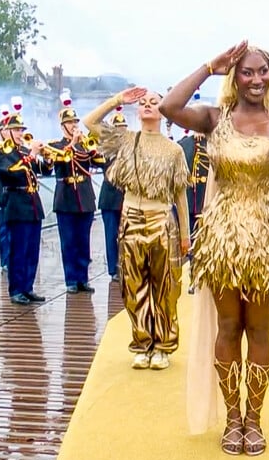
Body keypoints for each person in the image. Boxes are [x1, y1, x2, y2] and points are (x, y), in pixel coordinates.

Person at [159, 41, 269, 455]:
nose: (255, 80)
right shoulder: (216, 118)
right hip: (223, 238)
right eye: (246, 72)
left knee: (260, 329)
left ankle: (255, 419)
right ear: (235, 76)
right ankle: (233, 418)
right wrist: (209, 67)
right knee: (229, 327)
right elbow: (169, 107)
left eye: (262, 72)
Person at [83, 87, 190, 370]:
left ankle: (164, 346)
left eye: (154, 102)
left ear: (164, 109)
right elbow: (90, 123)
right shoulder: (126, 140)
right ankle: (142, 343)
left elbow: (180, 194)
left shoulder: (174, 149)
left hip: (161, 221)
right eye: (143, 102)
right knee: (133, 285)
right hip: (130, 218)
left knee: (165, 287)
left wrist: (186, 234)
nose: (147, 105)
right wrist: (117, 100)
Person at [0, 110, 51, 305]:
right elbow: (11, 173)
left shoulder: (24, 151)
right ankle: (16, 289)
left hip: (32, 204)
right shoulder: (2, 153)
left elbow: (42, 169)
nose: (19, 133)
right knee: (18, 249)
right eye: (15, 129)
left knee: (32, 249)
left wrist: (47, 158)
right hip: (16, 202)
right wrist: (32, 154)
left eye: (21, 129)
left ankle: (28, 287)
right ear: (5, 132)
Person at [47, 102, 106, 294]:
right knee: (68, 242)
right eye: (70, 123)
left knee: (83, 241)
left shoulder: (84, 145)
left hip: (85, 197)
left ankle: (83, 278)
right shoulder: (56, 145)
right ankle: (71, 279)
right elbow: (57, 162)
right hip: (66, 199)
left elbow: (99, 162)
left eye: (75, 122)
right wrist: (72, 143)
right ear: (63, 126)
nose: (74, 126)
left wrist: (92, 148)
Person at [98, 111, 126, 281]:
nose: (121, 132)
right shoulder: (105, 149)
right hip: (110, 199)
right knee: (111, 235)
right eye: (118, 128)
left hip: (126, 199)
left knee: (126, 235)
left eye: (123, 128)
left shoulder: (130, 148)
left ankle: (125, 265)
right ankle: (113, 269)